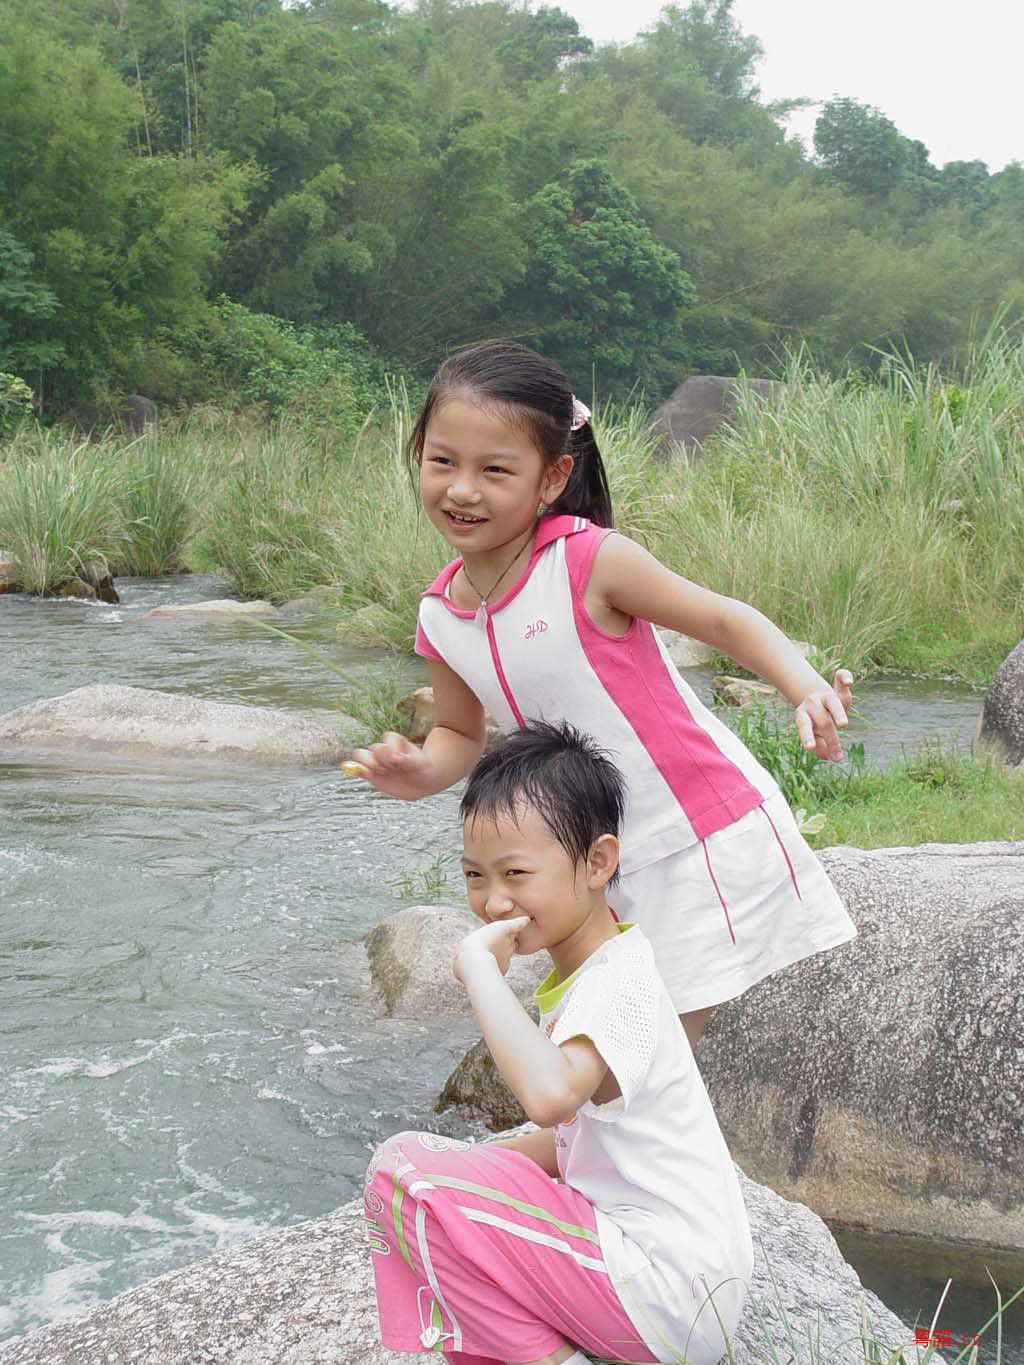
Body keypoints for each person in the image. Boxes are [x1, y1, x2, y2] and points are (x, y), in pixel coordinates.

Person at [346, 339, 857, 1047]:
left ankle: (593, 1157)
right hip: (589, 860)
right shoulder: (440, 612)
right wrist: (421, 770)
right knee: (603, 1047)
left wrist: (802, 686)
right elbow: (460, 735)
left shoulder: (589, 560)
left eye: (495, 469)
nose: (462, 489)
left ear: (552, 476)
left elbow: (721, 617)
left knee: (636, 1055)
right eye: (442, 461)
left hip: (693, 832)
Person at [365, 720, 753, 1365]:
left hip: (665, 1291)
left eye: (516, 873)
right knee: (447, 1179)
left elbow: (550, 1098)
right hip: (666, 1290)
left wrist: (478, 971)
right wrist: (479, 1165)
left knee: (401, 1170)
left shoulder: (620, 981)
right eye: (474, 876)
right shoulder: (597, 969)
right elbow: (574, 1132)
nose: (493, 902)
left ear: (598, 862)